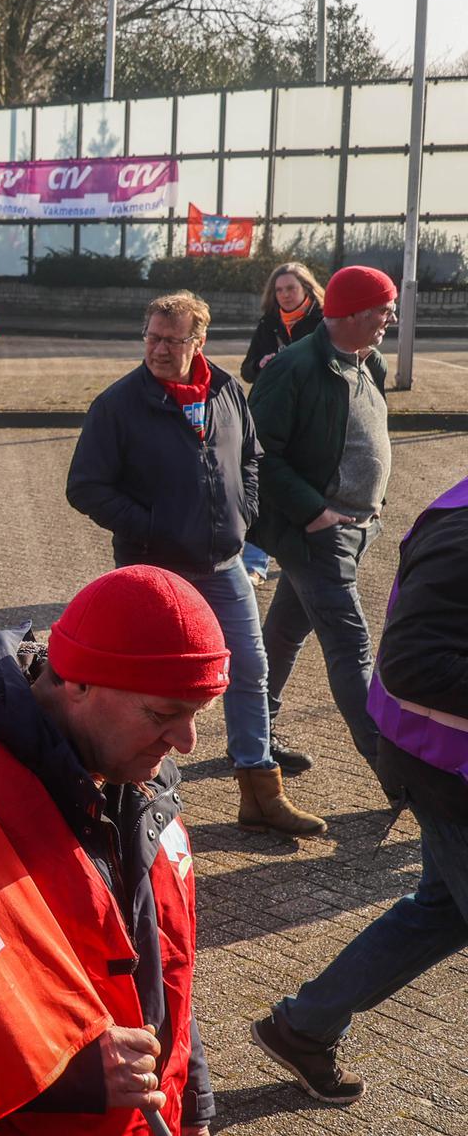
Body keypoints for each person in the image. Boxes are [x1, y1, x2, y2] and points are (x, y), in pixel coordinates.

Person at [0, 566, 222, 1136]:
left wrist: (196, 1105)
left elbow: (164, 967)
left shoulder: (141, 778)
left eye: (196, 715)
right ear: (78, 682)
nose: (187, 743)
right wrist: (66, 1072)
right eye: (162, 714)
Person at [67, 293, 323, 835]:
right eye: (152, 337)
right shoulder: (119, 405)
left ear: (198, 342)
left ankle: (259, 791)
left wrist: (244, 512)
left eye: (172, 340)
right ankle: (135, 792)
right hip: (156, 573)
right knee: (150, 687)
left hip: (225, 563)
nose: (159, 349)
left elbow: (252, 458)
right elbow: (85, 487)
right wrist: (156, 526)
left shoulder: (226, 390)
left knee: (249, 671)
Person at [251, 470, 468, 1107]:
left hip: (440, 758)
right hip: (442, 765)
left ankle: (303, 1027)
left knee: (443, 909)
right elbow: (413, 663)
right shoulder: (461, 532)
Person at [249, 265, 396, 774]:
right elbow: (259, 452)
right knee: (351, 646)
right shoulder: (294, 367)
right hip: (316, 534)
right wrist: (315, 512)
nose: (390, 317)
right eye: (383, 308)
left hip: (355, 528)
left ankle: (254, 734)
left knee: (284, 633)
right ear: (352, 312)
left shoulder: (367, 360)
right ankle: (398, 775)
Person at [240, 263, 325, 585]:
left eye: (291, 288)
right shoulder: (269, 323)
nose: (285, 295)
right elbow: (247, 370)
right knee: (260, 481)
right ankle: (254, 563)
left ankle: (307, 554)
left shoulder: (322, 323)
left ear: (306, 289)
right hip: (271, 412)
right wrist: (261, 364)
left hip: (308, 415)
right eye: (279, 290)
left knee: (301, 483)